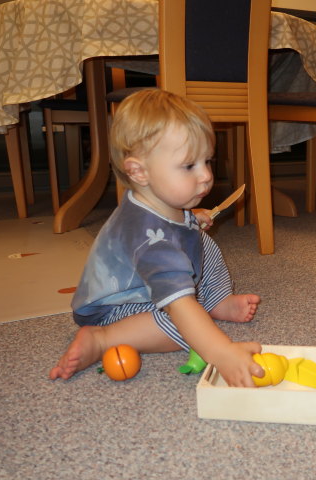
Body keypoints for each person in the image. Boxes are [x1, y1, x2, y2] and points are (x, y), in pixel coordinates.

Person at [49, 89, 264, 385]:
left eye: (207, 161)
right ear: (139, 172)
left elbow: (173, 221)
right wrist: (222, 352)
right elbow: (176, 299)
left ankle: (216, 301)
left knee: (204, 243)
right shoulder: (149, 239)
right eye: (189, 166)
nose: (205, 176)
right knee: (182, 325)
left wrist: (193, 215)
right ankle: (102, 339)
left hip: (147, 286)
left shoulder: (157, 198)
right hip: (117, 309)